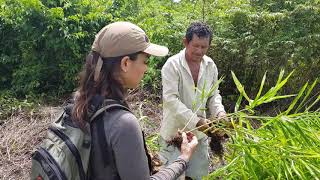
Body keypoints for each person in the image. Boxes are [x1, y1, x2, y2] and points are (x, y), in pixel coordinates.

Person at [71, 22, 198, 180]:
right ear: (125, 63)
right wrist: (184, 158)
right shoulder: (123, 123)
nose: (146, 69)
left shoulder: (78, 103)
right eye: (145, 61)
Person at [159, 22, 227, 180]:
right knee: (173, 176)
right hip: (174, 134)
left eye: (204, 47)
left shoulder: (210, 65)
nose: (199, 51)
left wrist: (219, 112)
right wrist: (197, 121)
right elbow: (171, 100)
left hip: (199, 136)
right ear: (185, 42)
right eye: (195, 46)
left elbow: (213, 94)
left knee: (198, 176)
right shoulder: (172, 65)